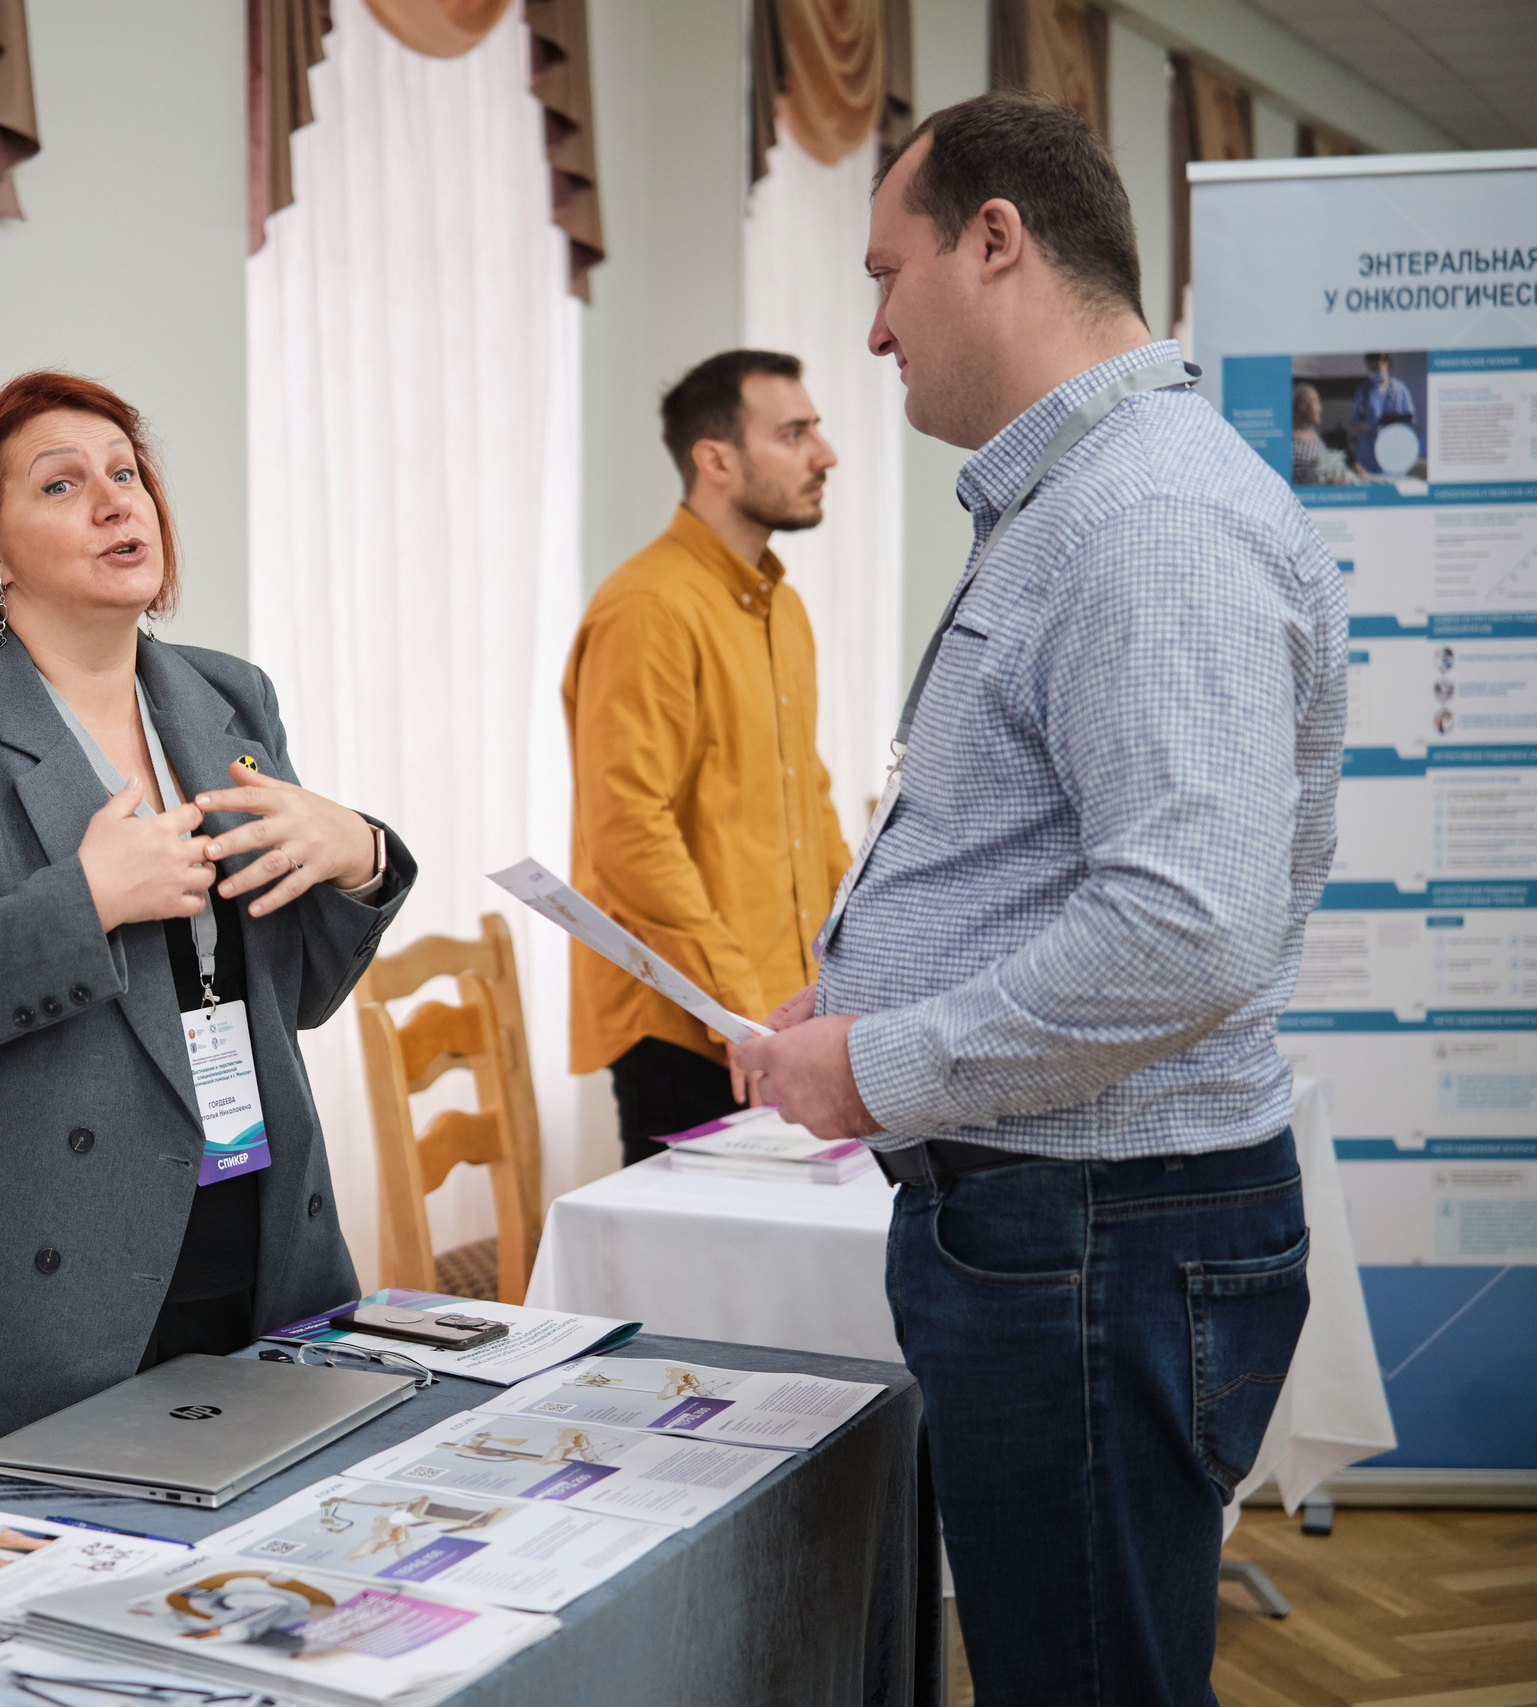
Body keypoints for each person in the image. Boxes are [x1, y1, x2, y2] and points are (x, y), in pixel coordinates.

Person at [732, 91, 1344, 1705]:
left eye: (887, 271)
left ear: (995, 241)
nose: (872, 332)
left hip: (1096, 1233)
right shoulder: (1095, 500)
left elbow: (1188, 924)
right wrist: (873, 1002)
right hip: (1078, 1226)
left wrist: (878, 1063)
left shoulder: (1147, 514)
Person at [0, 371, 416, 1491]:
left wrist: (358, 853)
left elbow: (293, 998)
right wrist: (80, 905)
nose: (118, 502)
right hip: (7, 1307)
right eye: (63, 484)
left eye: (127, 475)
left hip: (243, 1263)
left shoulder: (232, 699)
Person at [563, 351, 851, 1168]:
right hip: (694, 1028)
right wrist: (743, 1005)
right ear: (715, 459)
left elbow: (811, 804)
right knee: (695, 1288)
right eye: (794, 433)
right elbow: (629, 834)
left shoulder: (782, 607)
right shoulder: (649, 607)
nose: (823, 454)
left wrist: (847, 976)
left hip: (779, 1019)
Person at [1346, 351, 1416, 474]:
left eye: (1377, 368)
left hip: (1393, 450)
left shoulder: (1400, 390)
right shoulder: (1364, 390)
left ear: (1387, 364)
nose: (1374, 372)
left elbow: (1410, 421)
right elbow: (1354, 419)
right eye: (1371, 369)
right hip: (1368, 453)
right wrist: (1360, 425)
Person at [1290, 382, 1364, 486]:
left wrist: (1349, 469)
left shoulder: (1314, 434)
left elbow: (1325, 467)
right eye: (1316, 402)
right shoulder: (1290, 442)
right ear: (1303, 406)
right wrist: (1327, 483)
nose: (1320, 408)